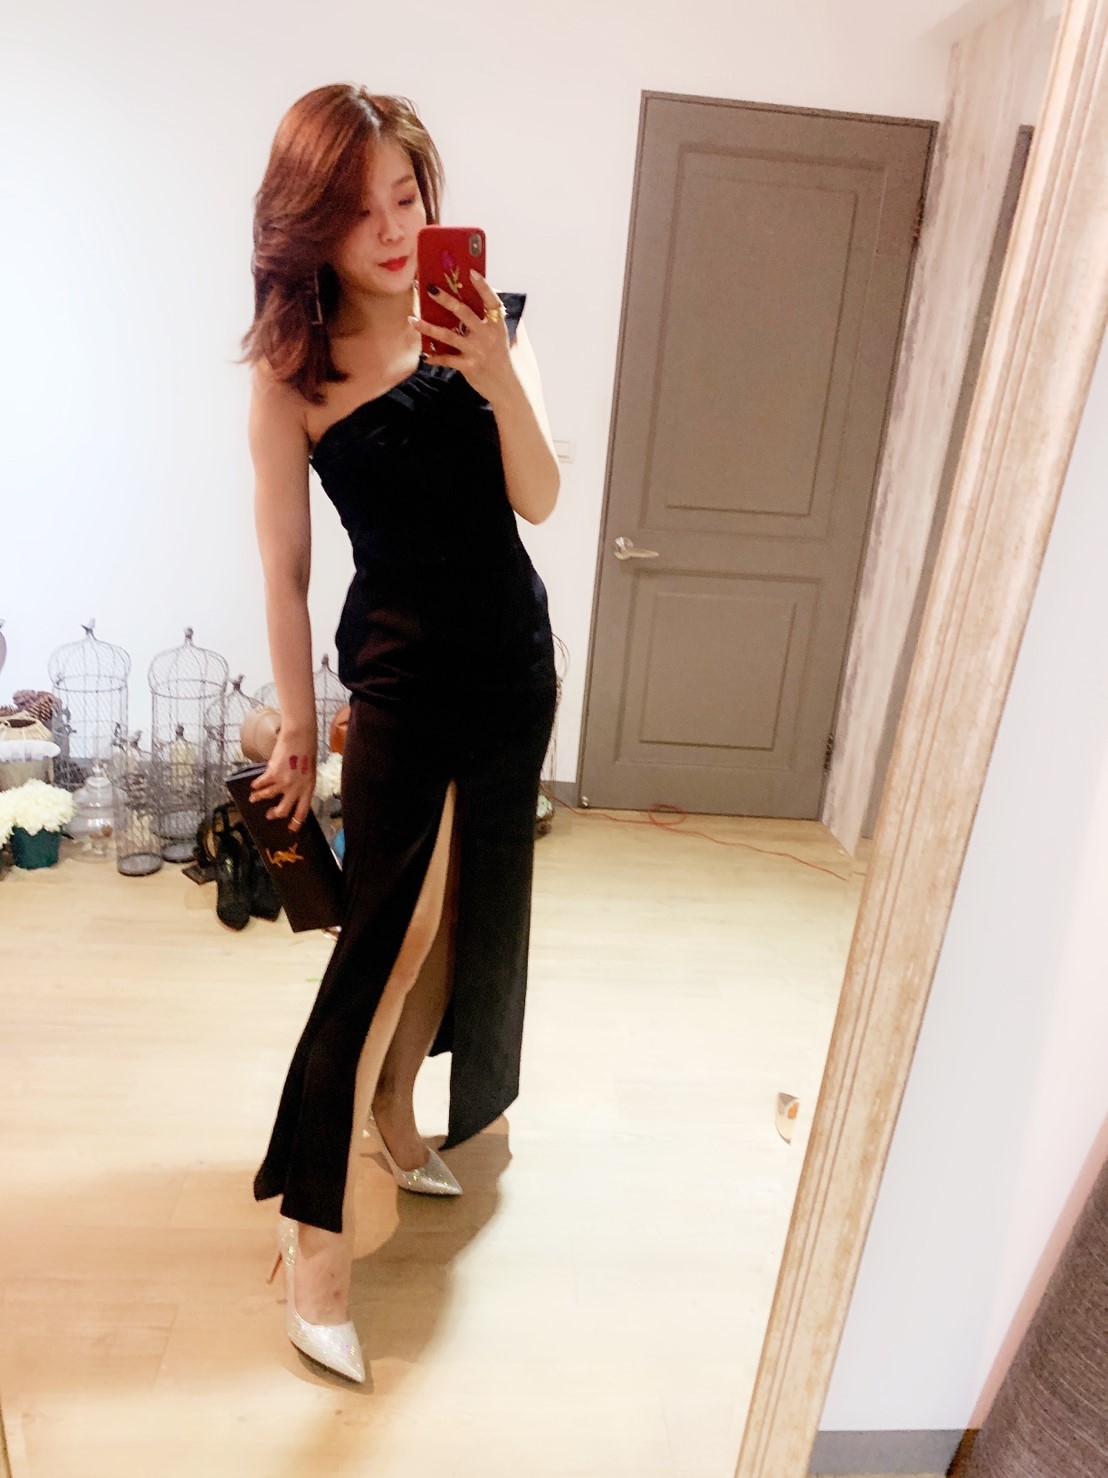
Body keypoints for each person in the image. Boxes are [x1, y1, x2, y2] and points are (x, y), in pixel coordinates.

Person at [241, 84, 559, 1381]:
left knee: (470, 910)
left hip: (514, 667)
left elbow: (540, 496)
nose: (389, 228)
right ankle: (313, 1235)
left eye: (406, 196)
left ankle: (397, 1108)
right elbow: (285, 573)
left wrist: (494, 373)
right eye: (356, 206)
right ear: (308, 224)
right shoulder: (292, 379)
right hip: (401, 680)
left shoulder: (484, 322)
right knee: (385, 938)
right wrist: (297, 724)